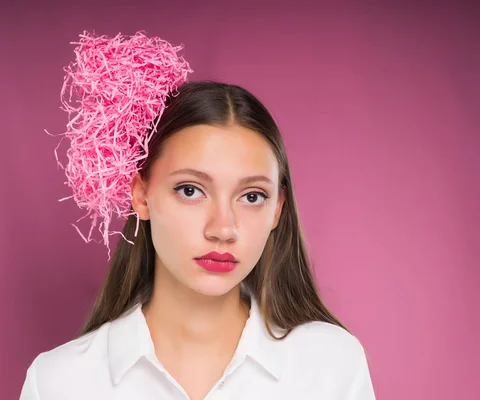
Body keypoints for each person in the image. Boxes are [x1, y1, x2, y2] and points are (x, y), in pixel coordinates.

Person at [20, 33, 375, 400]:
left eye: (252, 196)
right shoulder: (58, 382)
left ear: (277, 210)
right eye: (191, 190)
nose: (223, 228)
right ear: (141, 195)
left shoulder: (332, 365)